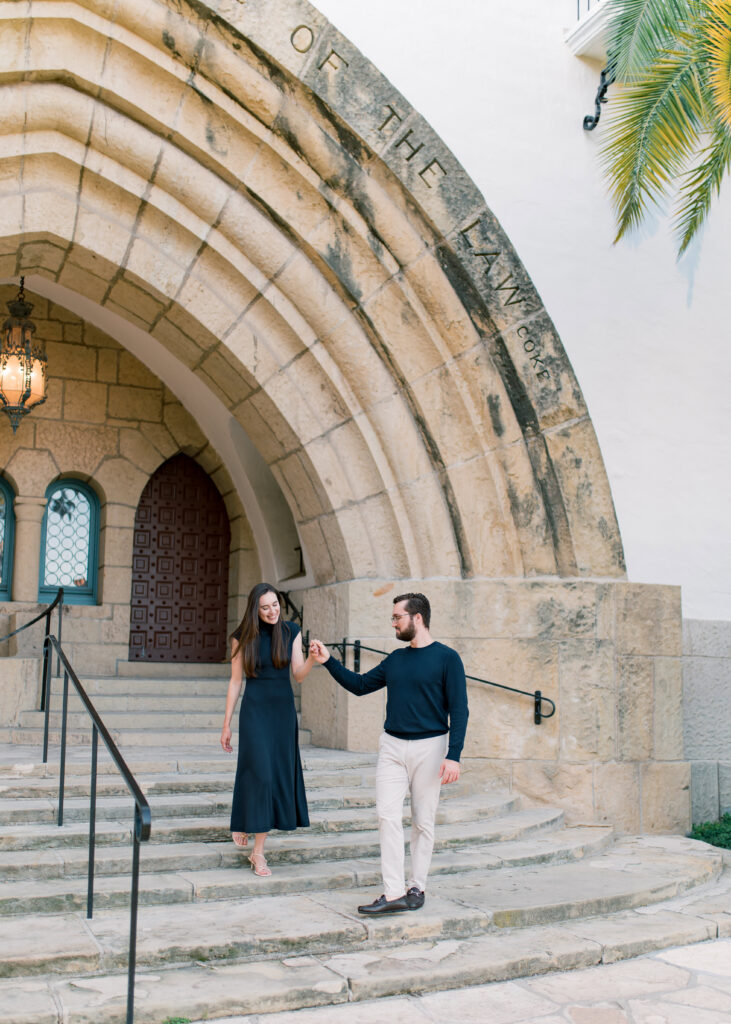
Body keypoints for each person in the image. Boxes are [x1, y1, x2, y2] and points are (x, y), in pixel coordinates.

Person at [310, 592, 468, 915]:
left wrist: (454, 755)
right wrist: (328, 660)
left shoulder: (447, 658)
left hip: (431, 747)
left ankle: (416, 886)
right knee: (387, 816)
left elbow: (460, 710)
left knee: (423, 821)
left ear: (418, 618)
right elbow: (359, 684)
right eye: (393, 617)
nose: (393, 622)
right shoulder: (395, 660)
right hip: (392, 746)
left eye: (398, 617)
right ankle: (393, 891)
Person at [220, 582, 315, 876]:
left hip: (282, 713)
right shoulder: (241, 638)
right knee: (257, 771)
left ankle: (257, 850)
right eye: (265, 607)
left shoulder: (291, 632)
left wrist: (312, 658)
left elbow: (298, 675)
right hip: (255, 711)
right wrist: (226, 724)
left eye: (275, 605)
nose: (273, 611)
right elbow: (236, 681)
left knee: (271, 774)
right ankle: (249, 827)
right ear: (255, 609)